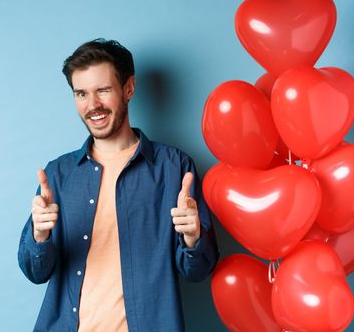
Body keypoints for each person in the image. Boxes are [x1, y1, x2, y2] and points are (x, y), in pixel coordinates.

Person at [18, 38, 219, 332]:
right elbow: (36, 273)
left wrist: (193, 238)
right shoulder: (58, 175)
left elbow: (198, 271)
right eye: (81, 94)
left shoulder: (175, 168)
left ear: (129, 88)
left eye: (103, 90)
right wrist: (40, 235)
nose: (93, 105)